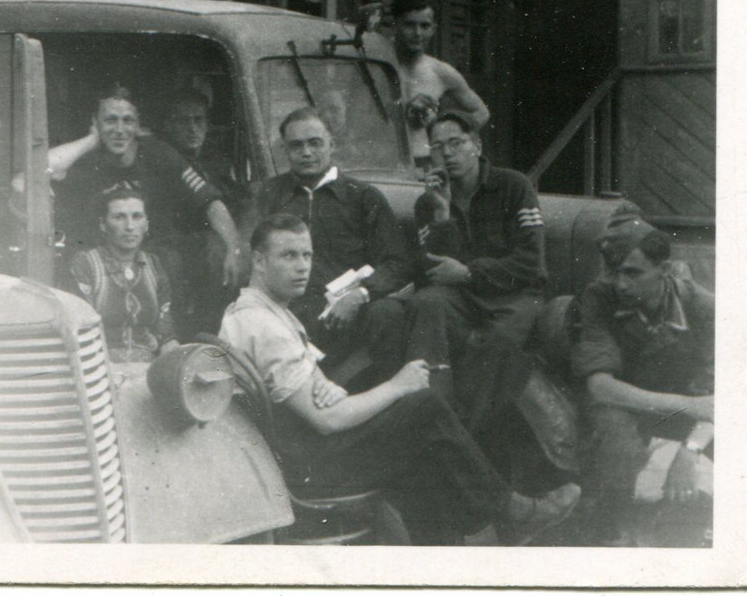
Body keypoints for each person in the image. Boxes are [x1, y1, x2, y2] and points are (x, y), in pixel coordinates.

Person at [219, 213, 581, 545]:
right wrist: (398, 385)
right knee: (422, 408)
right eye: (288, 256)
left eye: (307, 256)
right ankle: (510, 512)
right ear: (259, 261)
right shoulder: (266, 327)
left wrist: (324, 385)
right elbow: (326, 419)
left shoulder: (252, 313)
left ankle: (451, 549)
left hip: (298, 452)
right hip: (310, 466)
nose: (302, 268)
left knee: (423, 447)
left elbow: (302, 388)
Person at [396, 111, 569, 487]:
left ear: (476, 144)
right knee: (426, 303)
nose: (447, 155)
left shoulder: (513, 186)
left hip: (515, 296)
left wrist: (471, 272)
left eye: (455, 143)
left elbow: (530, 263)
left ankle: (462, 441)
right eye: (438, 147)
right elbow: (434, 269)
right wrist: (441, 214)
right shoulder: (429, 201)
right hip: (461, 297)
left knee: (497, 342)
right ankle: (429, 418)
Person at [569, 212, 715, 544]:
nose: (621, 284)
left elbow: (726, 391)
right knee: (617, 449)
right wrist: (688, 405)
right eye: (614, 273)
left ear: (664, 270)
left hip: (681, 413)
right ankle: (610, 535)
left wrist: (690, 451)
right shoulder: (599, 298)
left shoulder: (703, 307)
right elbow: (600, 386)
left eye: (633, 273)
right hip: (623, 406)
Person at [254, 106, 411, 380]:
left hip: (348, 312)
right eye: (296, 146)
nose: (306, 153)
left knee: (388, 313)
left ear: (332, 144)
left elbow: (397, 262)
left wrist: (360, 295)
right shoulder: (271, 194)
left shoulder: (362, 197)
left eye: (315, 143)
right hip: (290, 310)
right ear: (286, 151)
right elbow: (254, 256)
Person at [40, 86, 242, 292]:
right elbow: (35, 172)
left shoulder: (159, 154)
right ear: (96, 122)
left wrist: (234, 248)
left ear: (138, 125)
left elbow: (211, 202)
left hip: (157, 261)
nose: (119, 130)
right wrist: (90, 140)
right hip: (102, 263)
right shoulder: (86, 159)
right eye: (110, 120)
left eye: (127, 121)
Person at [160, 89, 246, 335]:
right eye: (183, 121)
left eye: (199, 120)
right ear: (168, 125)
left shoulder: (211, 164)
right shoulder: (167, 159)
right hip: (179, 253)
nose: (192, 128)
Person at [69, 188, 178, 363]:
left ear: (146, 224)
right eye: (119, 217)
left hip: (148, 367)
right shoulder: (86, 264)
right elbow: (80, 329)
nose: (129, 226)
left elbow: (165, 329)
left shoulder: (153, 265)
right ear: (103, 224)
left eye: (137, 216)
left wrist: (171, 352)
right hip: (100, 367)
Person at [386, 0, 490, 174]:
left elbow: (481, 112)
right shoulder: (378, 64)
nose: (417, 33)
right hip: (384, 162)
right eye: (410, 24)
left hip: (426, 164)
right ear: (395, 24)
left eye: (424, 26)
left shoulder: (441, 72)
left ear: (434, 28)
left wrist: (443, 130)